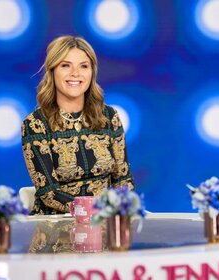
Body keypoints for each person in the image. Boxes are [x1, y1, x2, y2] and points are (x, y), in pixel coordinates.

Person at [21, 36, 134, 215]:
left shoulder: (109, 117)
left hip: (105, 222)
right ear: (52, 71)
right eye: (65, 65)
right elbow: (48, 193)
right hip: (56, 227)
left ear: (92, 72)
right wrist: (93, 210)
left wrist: (125, 211)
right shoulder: (35, 124)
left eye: (83, 66)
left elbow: (123, 181)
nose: (76, 73)